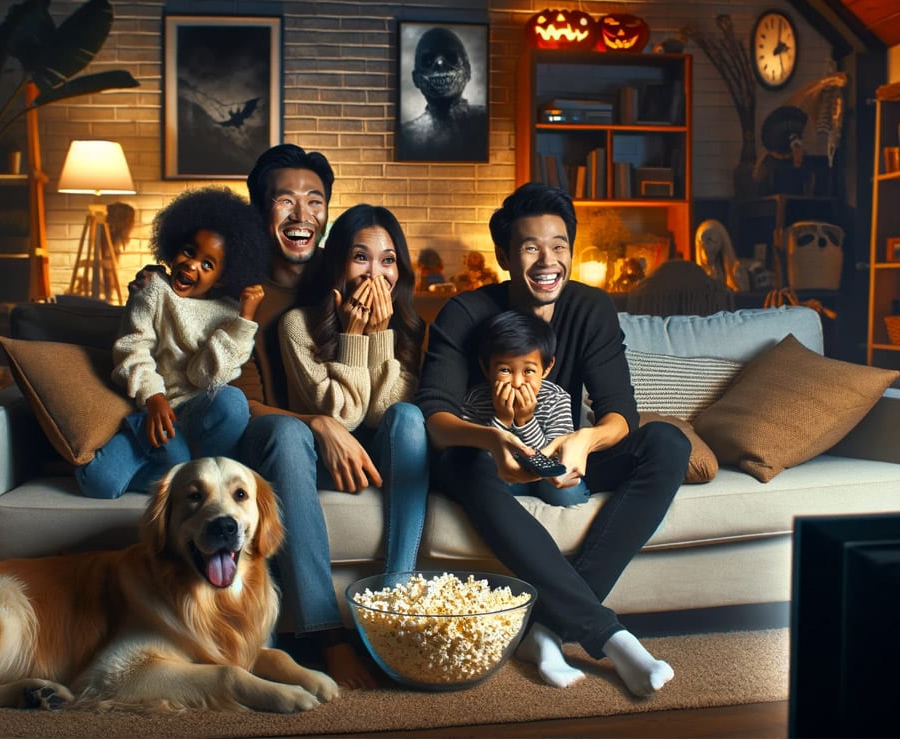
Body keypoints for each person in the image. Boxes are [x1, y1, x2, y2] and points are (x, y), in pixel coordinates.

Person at [415, 181, 690, 697]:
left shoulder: (591, 309)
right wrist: (492, 441)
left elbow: (620, 415)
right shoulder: (464, 312)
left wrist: (585, 441)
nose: (548, 260)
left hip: (558, 454)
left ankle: (545, 629)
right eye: (531, 246)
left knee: (668, 444)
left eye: (560, 245)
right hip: (485, 463)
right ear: (504, 254)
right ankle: (614, 640)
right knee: (464, 460)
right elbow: (434, 414)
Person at [233, 145, 425, 690]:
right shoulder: (239, 289)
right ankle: (327, 634)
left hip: (361, 441)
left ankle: (397, 595)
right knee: (293, 430)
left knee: (407, 418)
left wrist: (371, 335)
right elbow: (233, 402)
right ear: (260, 209)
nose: (301, 214)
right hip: (275, 443)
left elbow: (388, 409)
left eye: (314, 201)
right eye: (285, 200)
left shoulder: (339, 276)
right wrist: (321, 421)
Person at [77, 187, 266, 500]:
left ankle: (190, 470)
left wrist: (244, 320)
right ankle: (161, 454)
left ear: (221, 278)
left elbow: (204, 377)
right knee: (99, 484)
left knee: (232, 402)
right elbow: (132, 349)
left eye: (208, 264)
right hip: (152, 407)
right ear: (175, 246)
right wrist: (154, 397)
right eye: (190, 252)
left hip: (195, 414)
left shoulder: (231, 314)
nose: (192, 266)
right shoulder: (153, 289)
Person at [277, 202, 429, 570]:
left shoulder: (411, 328)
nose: (374, 274)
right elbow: (345, 416)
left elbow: (383, 413)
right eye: (361, 257)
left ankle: (399, 581)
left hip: (388, 456)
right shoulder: (297, 325)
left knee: (408, 416)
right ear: (338, 263)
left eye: (388, 260)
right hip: (327, 459)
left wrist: (379, 335)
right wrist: (354, 337)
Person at [460, 309, 588, 506]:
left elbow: (557, 461)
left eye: (528, 370)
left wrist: (525, 420)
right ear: (486, 368)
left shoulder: (556, 399)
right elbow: (474, 460)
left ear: (546, 368)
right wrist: (501, 420)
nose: (517, 382)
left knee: (567, 492)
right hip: (502, 479)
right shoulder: (475, 399)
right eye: (505, 370)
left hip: (545, 480)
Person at [397, 26, 488, 162]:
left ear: (468, 71)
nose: (440, 64)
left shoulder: (485, 121)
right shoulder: (406, 135)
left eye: (450, 57)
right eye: (428, 60)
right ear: (416, 79)